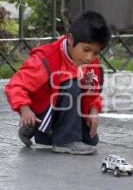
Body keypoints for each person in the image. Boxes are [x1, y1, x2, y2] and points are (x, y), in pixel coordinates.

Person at [5, 11, 111, 155]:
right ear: (70, 39)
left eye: (96, 53)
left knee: (91, 140)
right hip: (42, 111)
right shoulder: (46, 58)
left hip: (63, 111)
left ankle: (39, 131)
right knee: (71, 83)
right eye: (86, 50)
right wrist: (24, 109)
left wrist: (93, 110)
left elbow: (92, 91)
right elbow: (15, 85)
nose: (89, 57)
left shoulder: (92, 63)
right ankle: (63, 141)